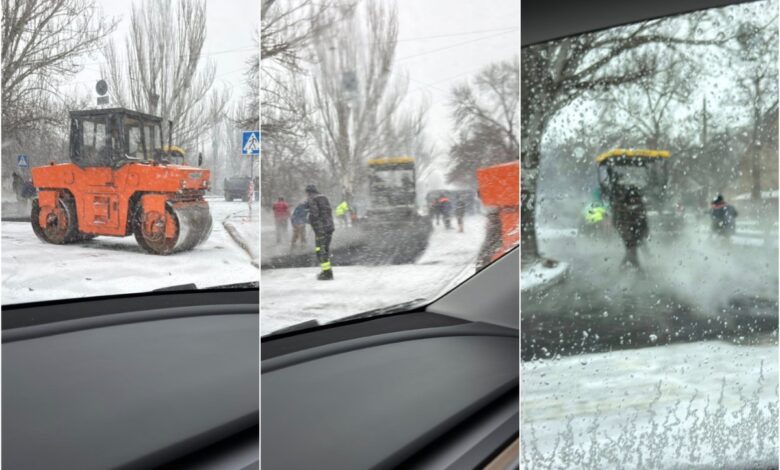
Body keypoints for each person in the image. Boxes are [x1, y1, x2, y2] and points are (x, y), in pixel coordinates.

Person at [611, 183, 648, 269]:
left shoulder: (639, 205)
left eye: (636, 198)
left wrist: (644, 230)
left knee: (632, 249)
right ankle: (637, 267)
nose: (634, 200)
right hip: (626, 230)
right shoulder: (621, 205)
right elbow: (617, 221)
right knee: (631, 248)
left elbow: (643, 219)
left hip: (635, 230)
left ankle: (627, 266)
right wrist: (624, 231)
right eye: (633, 198)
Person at [306, 185, 335, 280]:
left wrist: (310, 220)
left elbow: (314, 214)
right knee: (324, 250)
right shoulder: (324, 197)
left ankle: (327, 273)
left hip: (321, 229)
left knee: (321, 251)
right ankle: (327, 271)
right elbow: (328, 212)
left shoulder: (312, 198)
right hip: (329, 227)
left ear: (308, 192)